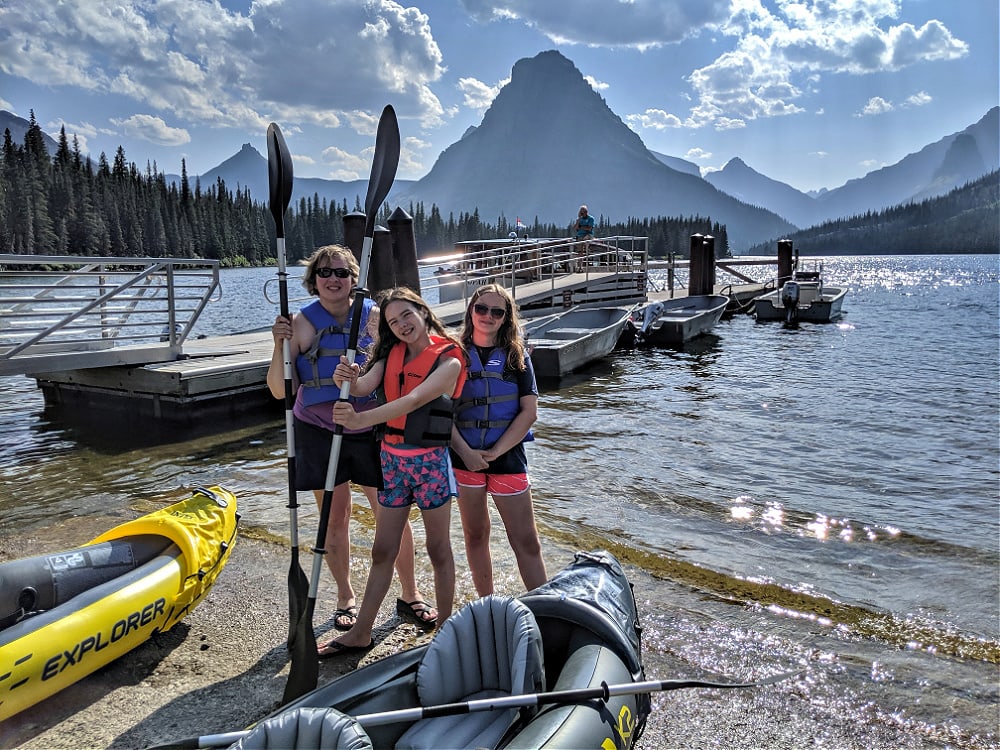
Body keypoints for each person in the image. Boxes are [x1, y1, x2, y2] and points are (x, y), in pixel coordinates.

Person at [266, 246, 434, 635]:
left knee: (391, 516)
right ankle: (345, 597)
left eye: (341, 273)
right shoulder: (301, 324)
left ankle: (410, 594)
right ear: (314, 280)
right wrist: (279, 345)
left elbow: (415, 353)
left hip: (369, 427)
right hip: (318, 430)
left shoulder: (375, 320)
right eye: (324, 272)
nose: (333, 279)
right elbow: (278, 390)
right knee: (335, 517)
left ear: (353, 279)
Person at [319, 287, 467, 656]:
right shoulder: (391, 355)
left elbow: (415, 399)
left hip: (430, 464)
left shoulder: (450, 359)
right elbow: (366, 385)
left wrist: (358, 419)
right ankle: (362, 632)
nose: (401, 325)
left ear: (422, 311)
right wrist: (348, 377)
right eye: (392, 321)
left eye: (406, 315)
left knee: (438, 548)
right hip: (392, 461)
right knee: (383, 550)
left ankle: (445, 628)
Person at [450, 285, 548, 596]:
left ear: (506, 318)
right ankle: (487, 604)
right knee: (475, 535)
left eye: (497, 312)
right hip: (464, 459)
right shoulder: (453, 354)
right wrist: (467, 453)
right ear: (471, 311)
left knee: (526, 540)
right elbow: (440, 413)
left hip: (506, 460)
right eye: (481, 309)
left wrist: (493, 452)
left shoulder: (517, 357)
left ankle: (542, 604)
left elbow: (529, 412)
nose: (488, 316)